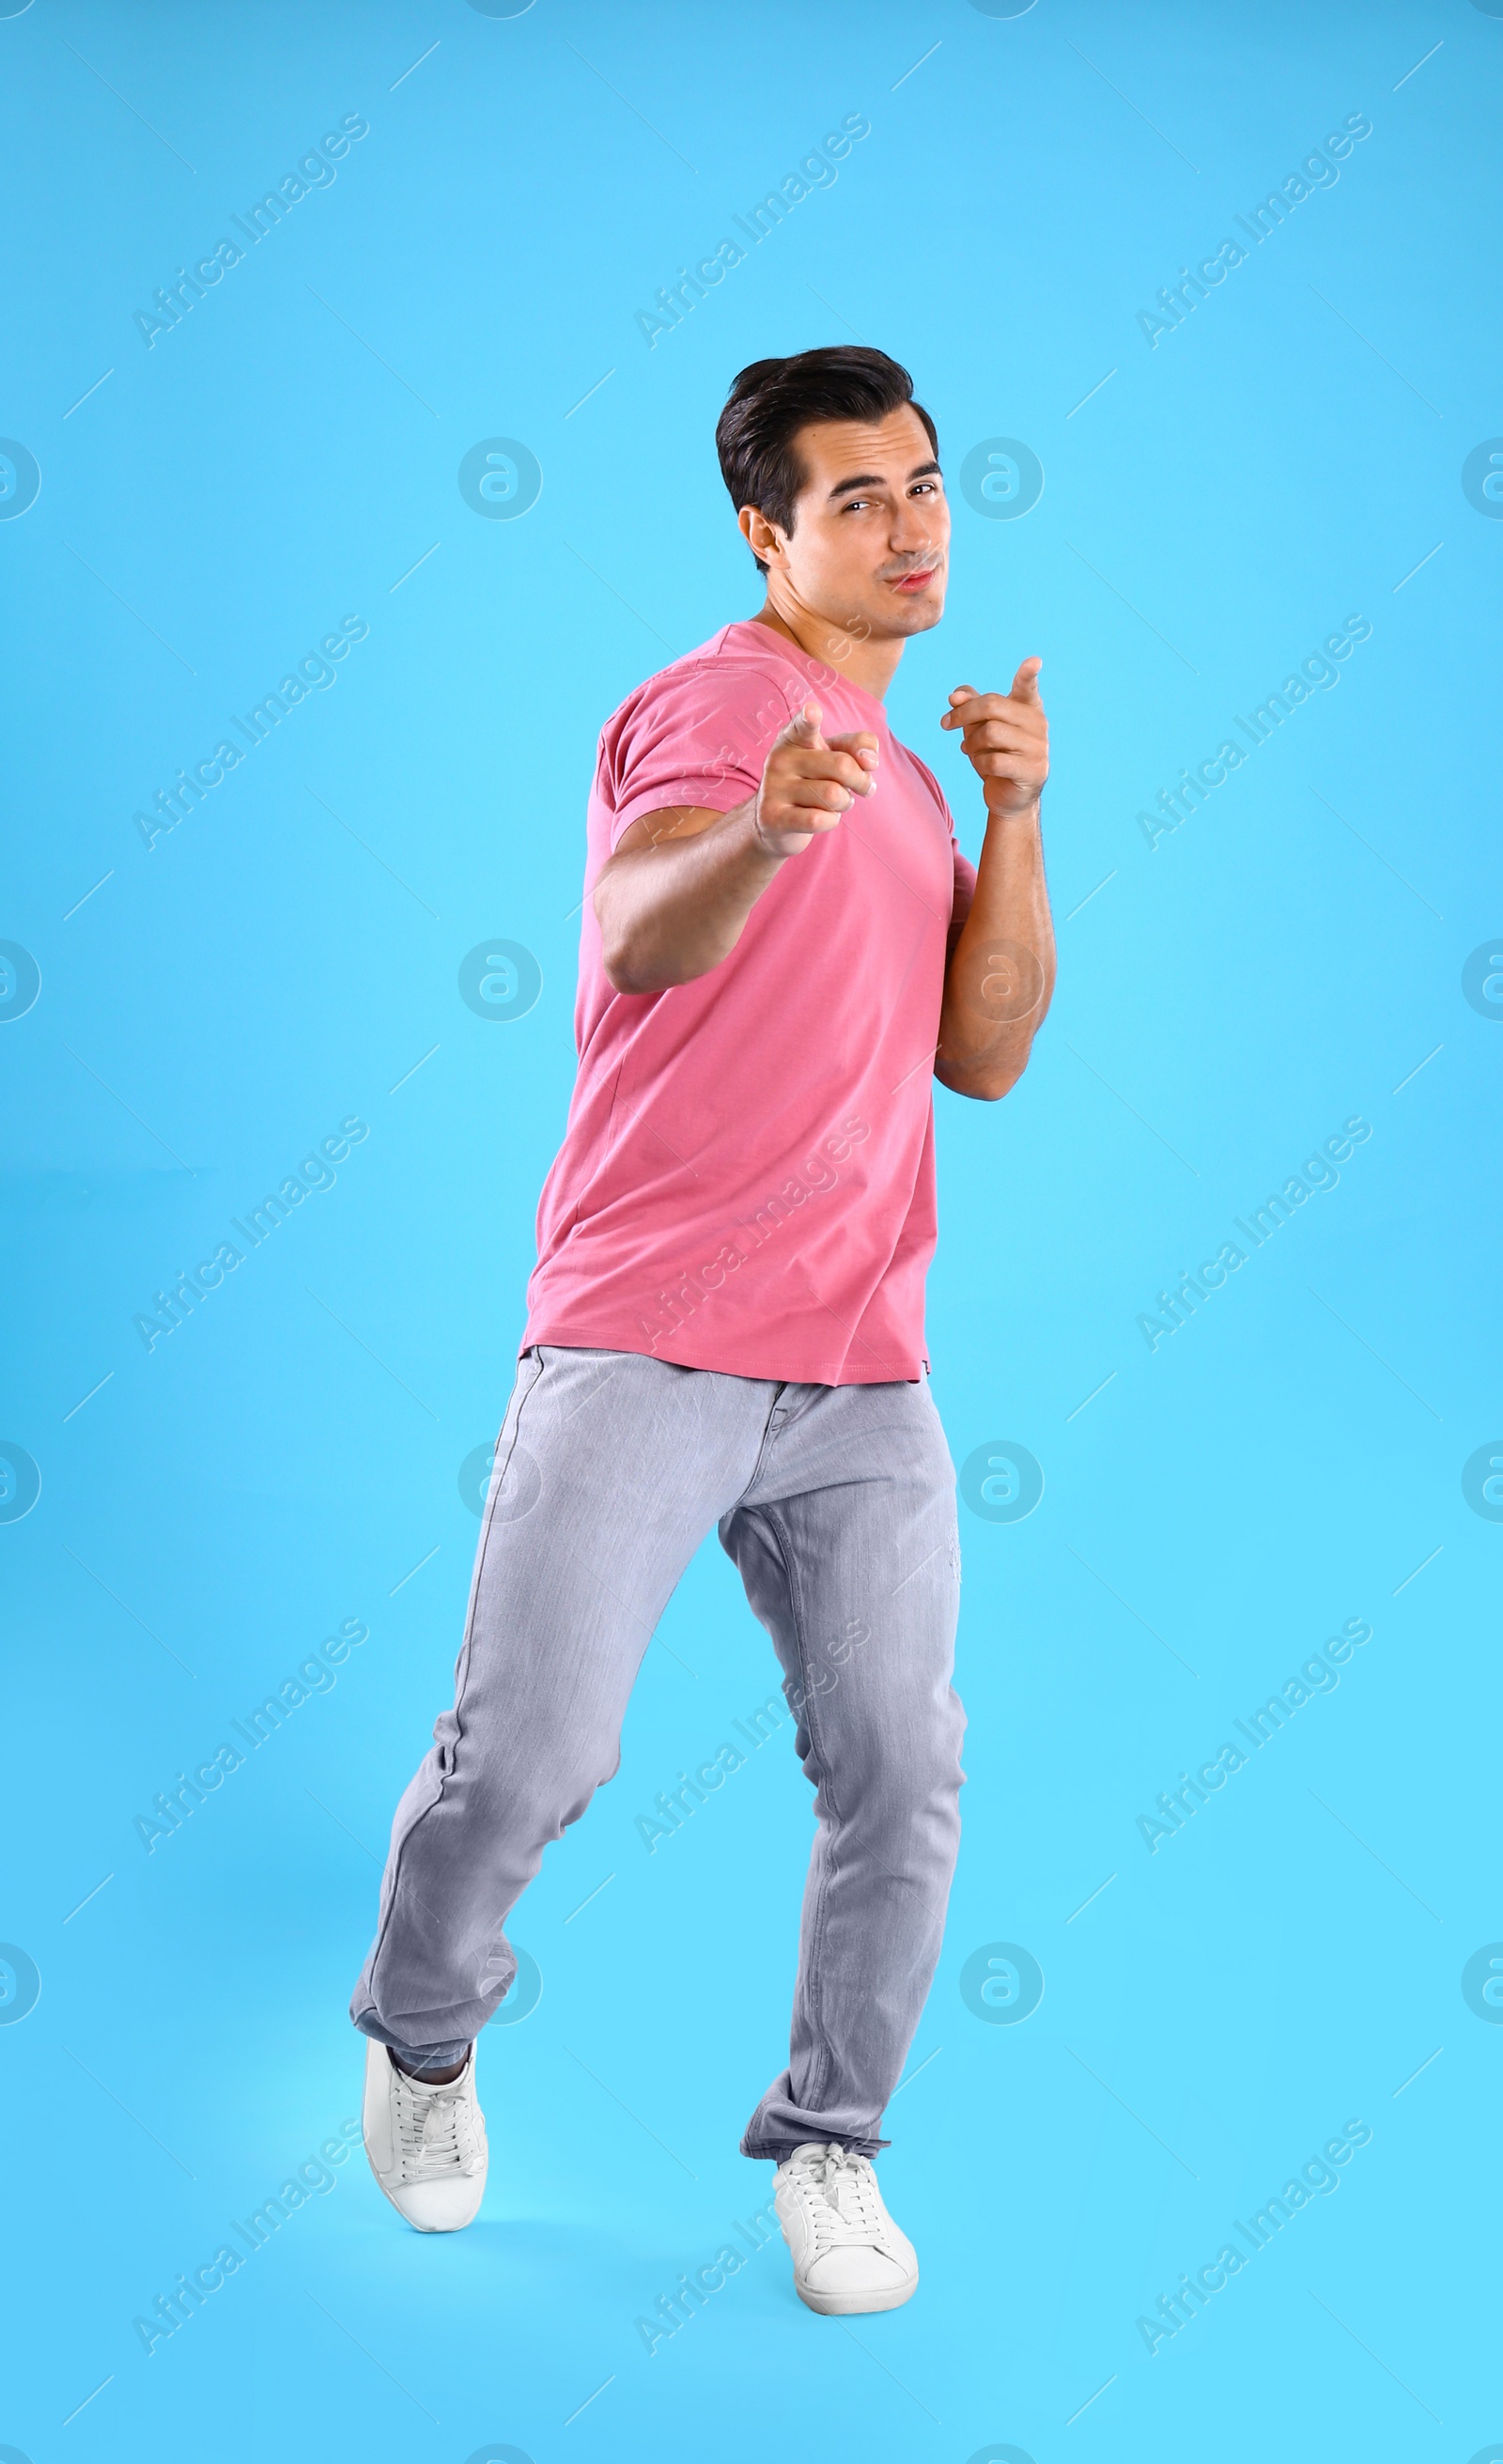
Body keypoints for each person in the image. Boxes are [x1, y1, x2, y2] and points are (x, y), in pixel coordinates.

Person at [352, 346, 1054, 2316]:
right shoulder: (718, 708)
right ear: (767, 534)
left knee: (900, 1768)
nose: (911, 526)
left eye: (926, 485)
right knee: (531, 1755)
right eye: (858, 498)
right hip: (647, 1331)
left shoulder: (909, 776)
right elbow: (642, 930)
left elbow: (982, 1059)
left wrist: (1009, 819)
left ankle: (831, 2143)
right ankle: (419, 2041)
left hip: (858, 1369)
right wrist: (756, 825)